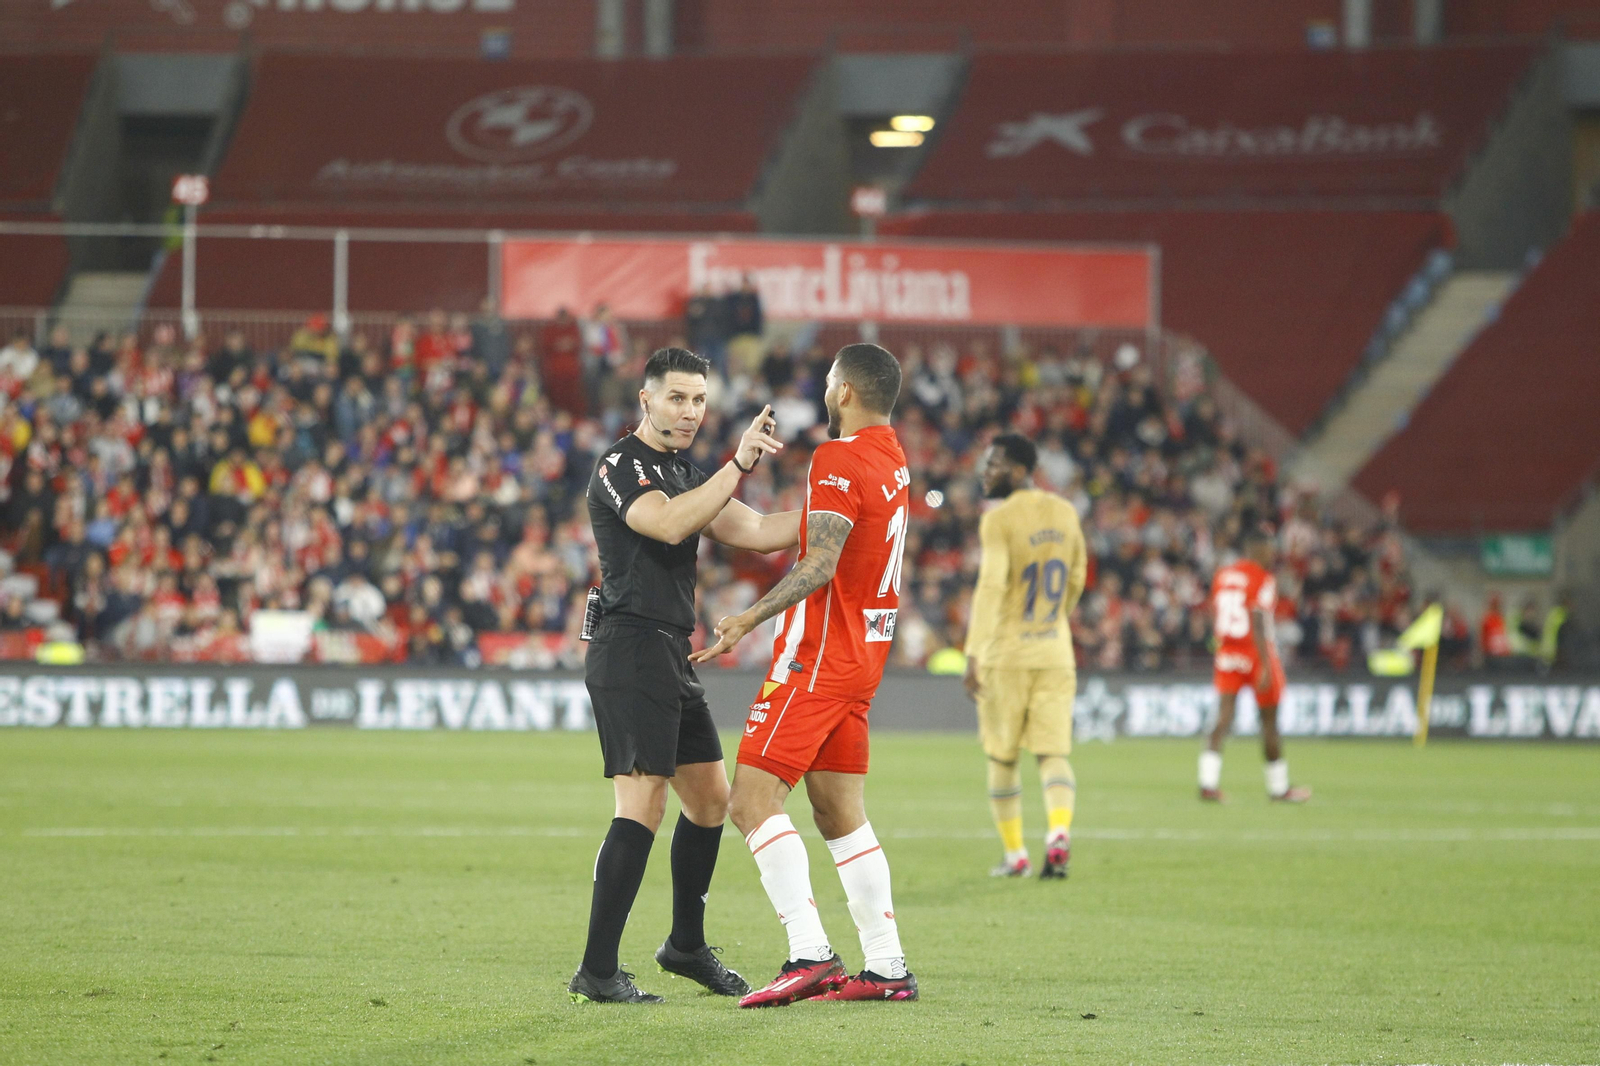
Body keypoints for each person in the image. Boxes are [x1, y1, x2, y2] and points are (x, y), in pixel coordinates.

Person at [569, 347, 798, 1005]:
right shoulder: (621, 464)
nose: (690, 411)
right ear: (646, 399)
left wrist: (838, 519)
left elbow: (755, 529)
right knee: (643, 804)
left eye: (699, 399)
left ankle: (685, 946)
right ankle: (598, 969)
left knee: (710, 801)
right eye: (677, 397)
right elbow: (667, 524)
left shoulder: (685, 471)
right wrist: (739, 463)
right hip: (629, 645)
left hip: (670, 650)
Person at [691, 343, 918, 1007]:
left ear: (844, 390)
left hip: (817, 660)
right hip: (861, 664)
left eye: (827, 381)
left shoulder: (838, 457)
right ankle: (887, 966)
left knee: (750, 802)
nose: (823, 390)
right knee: (840, 814)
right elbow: (802, 537)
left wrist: (748, 617)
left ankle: (810, 952)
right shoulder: (891, 457)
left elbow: (820, 561)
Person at [962, 434, 1087, 879]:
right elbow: (1076, 577)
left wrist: (974, 652)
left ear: (1018, 470)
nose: (986, 472)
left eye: (994, 464)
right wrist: (1054, 620)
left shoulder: (999, 520)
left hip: (1007, 655)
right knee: (1053, 753)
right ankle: (1058, 833)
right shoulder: (1066, 512)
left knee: (1003, 757)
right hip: (1055, 651)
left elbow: (992, 587)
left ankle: (1016, 855)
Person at [1199, 526, 1310, 803]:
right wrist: (1264, 665)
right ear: (1258, 550)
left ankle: (1207, 783)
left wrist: (1219, 642)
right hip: (1255, 652)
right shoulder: (1262, 578)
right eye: (1270, 549)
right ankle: (1278, 788)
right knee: (1269, 722)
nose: (1273, 554)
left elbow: (1215, 612)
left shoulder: (1222, 575)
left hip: (1227, 651)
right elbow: (1259, 620)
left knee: (1223, 717)